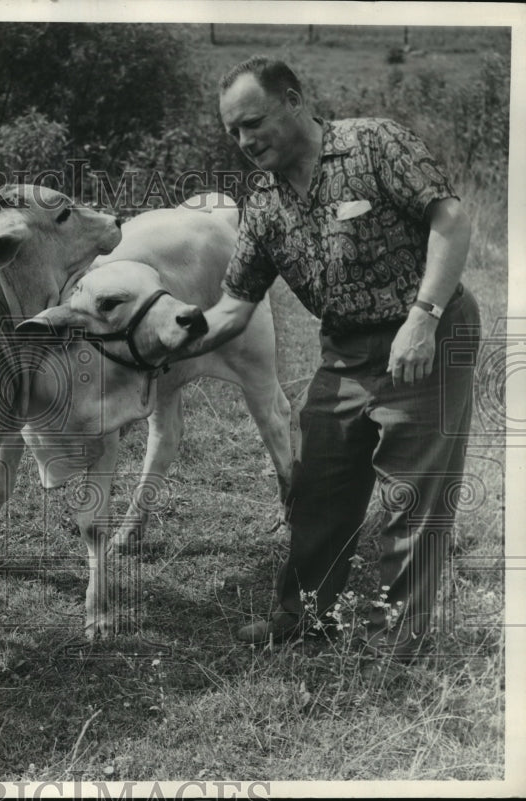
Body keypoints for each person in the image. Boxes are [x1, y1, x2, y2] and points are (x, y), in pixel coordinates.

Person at [185, 55, 481, 660]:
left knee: (413, 496)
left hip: (424, 334)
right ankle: (303, 617)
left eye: (253, 122)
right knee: (318, 485)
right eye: (234, 131)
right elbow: (234, 307)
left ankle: (399, 641)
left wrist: (423, 318)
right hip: (345, 350)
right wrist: (158, 345)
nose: (245, 141)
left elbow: (450, 219)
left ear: (294, 101)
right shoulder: (264, 204)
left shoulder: (373, 144)